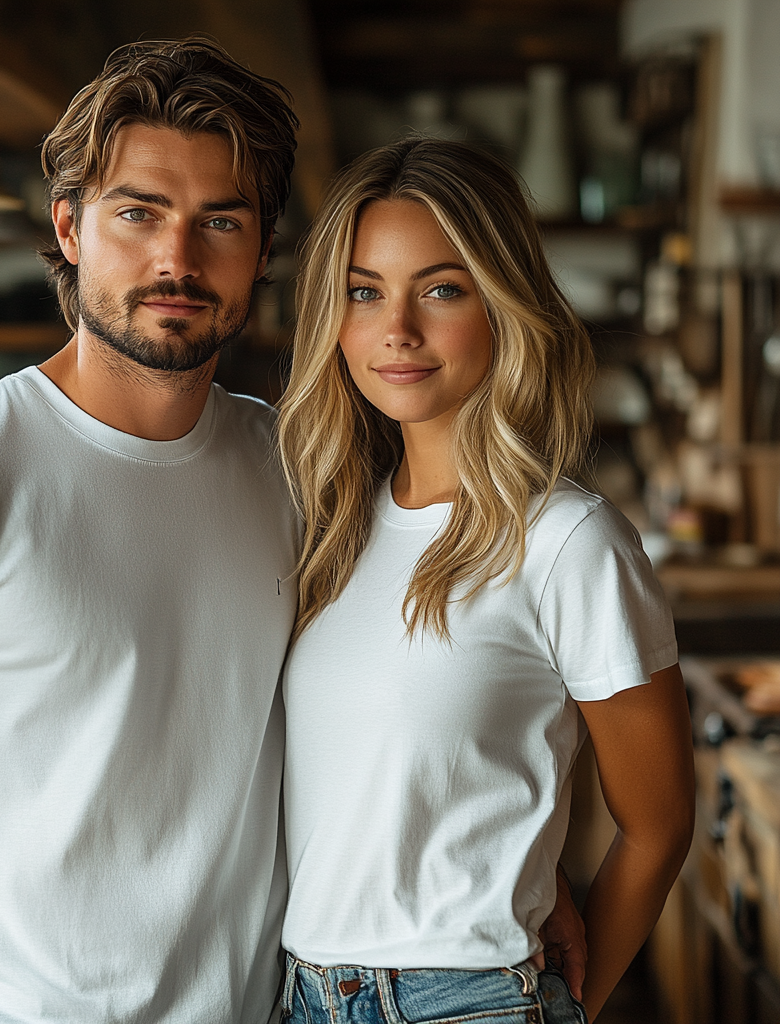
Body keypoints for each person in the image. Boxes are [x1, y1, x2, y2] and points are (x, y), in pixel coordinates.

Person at [0, 42, 583, 1024]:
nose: (178, 259)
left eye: (221, 221)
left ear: (263, 246)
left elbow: (408, 703)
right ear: (69, 228)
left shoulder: (301, 471)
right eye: (138, 213)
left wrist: (537, 874)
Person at [275, 138, 695, 1024]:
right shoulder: (330, 527)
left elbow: (658, 825)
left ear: (504, 304)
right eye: (364, 291)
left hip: (466, 1000)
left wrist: (566, 1006)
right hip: (304, 993)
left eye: (440, 288)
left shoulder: (568, 542)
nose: (397, 329)